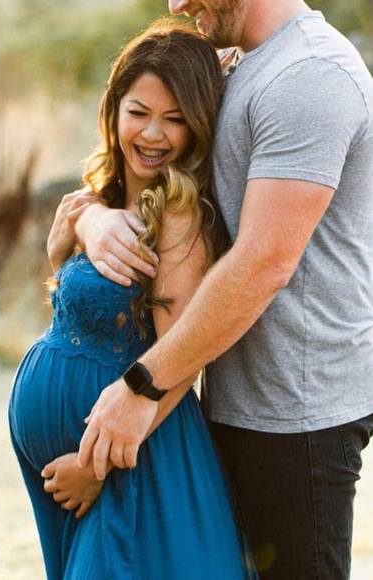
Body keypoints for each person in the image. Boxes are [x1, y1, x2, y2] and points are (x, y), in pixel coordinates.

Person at [49, 1, 373, 579]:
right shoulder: (237, 64)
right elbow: (157, 175)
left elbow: (263, 262)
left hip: (292, 419)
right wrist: (91, 219)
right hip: (227, 405)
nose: (176, 6)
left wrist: (142, 389)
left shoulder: (310, 75)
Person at [8, 20, 256, 580]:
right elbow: (92, 316)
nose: (153, 134)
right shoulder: (98, 202)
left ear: (197, 127)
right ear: (114, 109)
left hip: (134, 465)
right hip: (84, 468)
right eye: (139, 112)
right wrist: (63, 251)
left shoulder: (178, 215)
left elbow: (181, 357)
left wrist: (96, 465)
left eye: (175, 119)